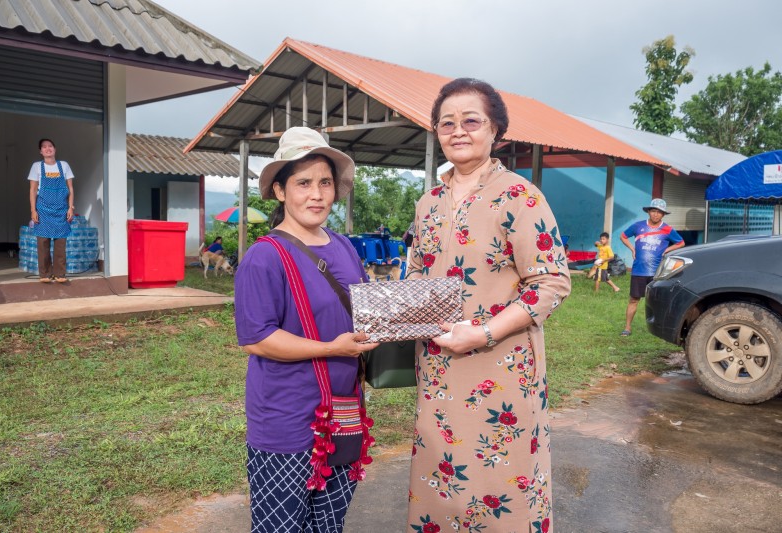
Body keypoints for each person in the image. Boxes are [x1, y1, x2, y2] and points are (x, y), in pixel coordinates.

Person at [406, 78, 571, 533]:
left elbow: (551, 283)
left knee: (503, 482)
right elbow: (418, 272)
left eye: (471, 121)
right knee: (442, 478)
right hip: (439, 368)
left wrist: (482, 332)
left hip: (501, 370)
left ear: (496, 129)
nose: (458, 131)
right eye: (447, 123)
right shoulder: (428, 203)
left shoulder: (520, 196)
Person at [234, 127, 378, 533]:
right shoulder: (264, 258)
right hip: (287, 421)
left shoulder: (345, 247)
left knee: (328, 525)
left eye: (325, 183)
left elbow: (362, 310)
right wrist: (331, 347)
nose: (316, 195)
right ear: (280, 191)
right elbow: (257, 338)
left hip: (344, 414)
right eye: (303, 183)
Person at [619, 198, 684, 336]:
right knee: (633, 299)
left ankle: (660, 328)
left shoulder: (667, 229)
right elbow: (623, 236)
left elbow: (681, 242)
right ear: (649, 211)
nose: (656, 214)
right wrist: (632, 249)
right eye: (653, 211)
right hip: (638, 270)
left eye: (659, 212)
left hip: (657, 272)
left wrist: (667, 250)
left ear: (663, 214)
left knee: (658, 301)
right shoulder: (638, 226)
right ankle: (627, 327)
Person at [27, 138, 75, 283]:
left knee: (61, 243)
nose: (48, 149)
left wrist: (70, 207)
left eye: (50, 146)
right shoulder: (36, 166)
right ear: (40, 151)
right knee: (43, 243)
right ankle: (45, 274)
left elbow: (70, 188)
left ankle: (60, 274)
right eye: (44, 147)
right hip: (43, 210)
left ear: (55, 149)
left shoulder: (64, 165)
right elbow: (33, 189)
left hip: (61, 210)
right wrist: (33, 210)